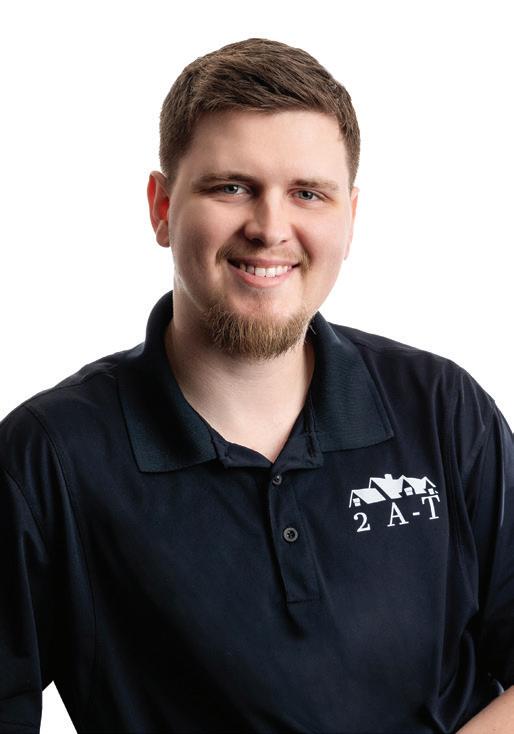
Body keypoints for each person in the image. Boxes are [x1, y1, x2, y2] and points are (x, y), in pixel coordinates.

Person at [0, 37, 513, 734]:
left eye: (308, 193)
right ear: (161, 207)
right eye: (231, 187)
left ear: (350, 217)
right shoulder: (49, 459)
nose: (271, 228)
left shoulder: (444, 410)